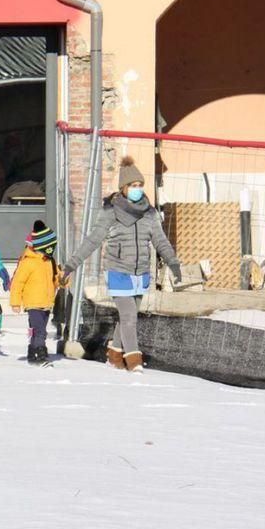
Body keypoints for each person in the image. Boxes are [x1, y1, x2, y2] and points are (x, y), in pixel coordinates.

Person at [61, 156, 181, 373]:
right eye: (133, 186)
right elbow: (92, 240)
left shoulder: (149, 212)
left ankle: (114, 354)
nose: (138, 189)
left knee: (128, 317)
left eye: (140, 185)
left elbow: (160, 239)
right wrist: (71, 265)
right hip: (117, 271)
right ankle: (134, 360)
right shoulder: (110, 211)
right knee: (128, 317)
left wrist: (173, 263)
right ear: (123, 188)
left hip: (140, 272)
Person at [10, 221, 64, 366]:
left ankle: (32, 352)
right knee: (40, 331)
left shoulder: (50, 262)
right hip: (33, 303)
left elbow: (56, 280)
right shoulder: (28, 262)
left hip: (46, 303)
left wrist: (63, 280)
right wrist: (15, 302)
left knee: (37, 330)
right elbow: (17, 282)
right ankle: (40, 354)